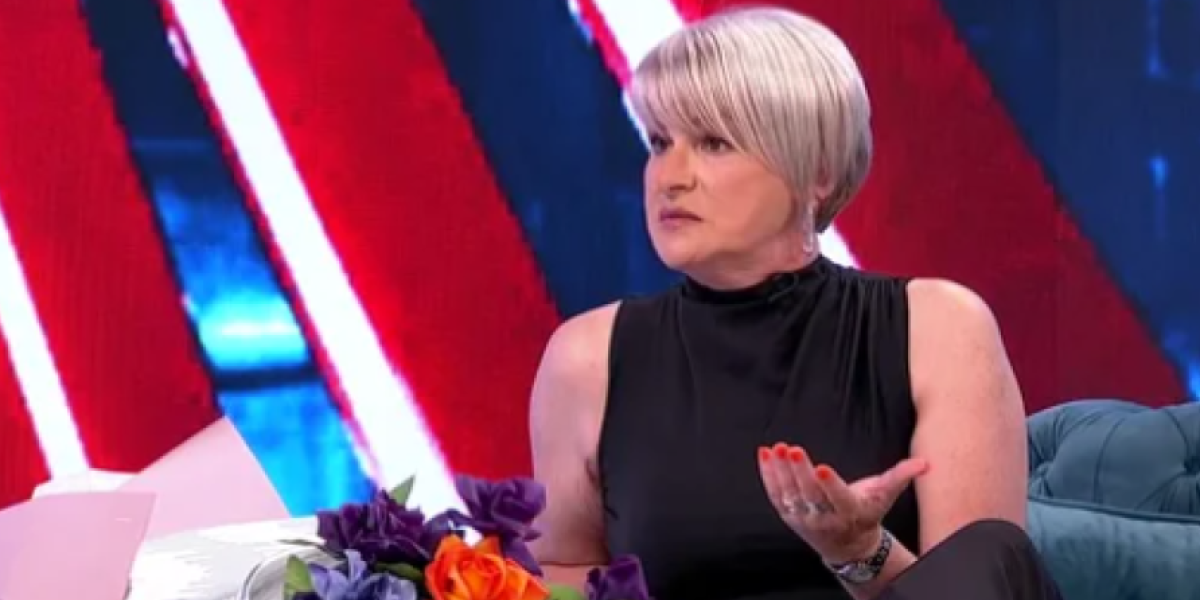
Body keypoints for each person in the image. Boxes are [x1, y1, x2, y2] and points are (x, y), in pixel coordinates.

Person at [528, 6, 1062, 600]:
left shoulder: (939, 332)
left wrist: (860, 551)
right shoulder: (586, 360)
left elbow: (986, 588)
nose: (669, 177)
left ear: (818, 173)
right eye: (659, 142)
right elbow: (561, 569)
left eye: (712, 143)